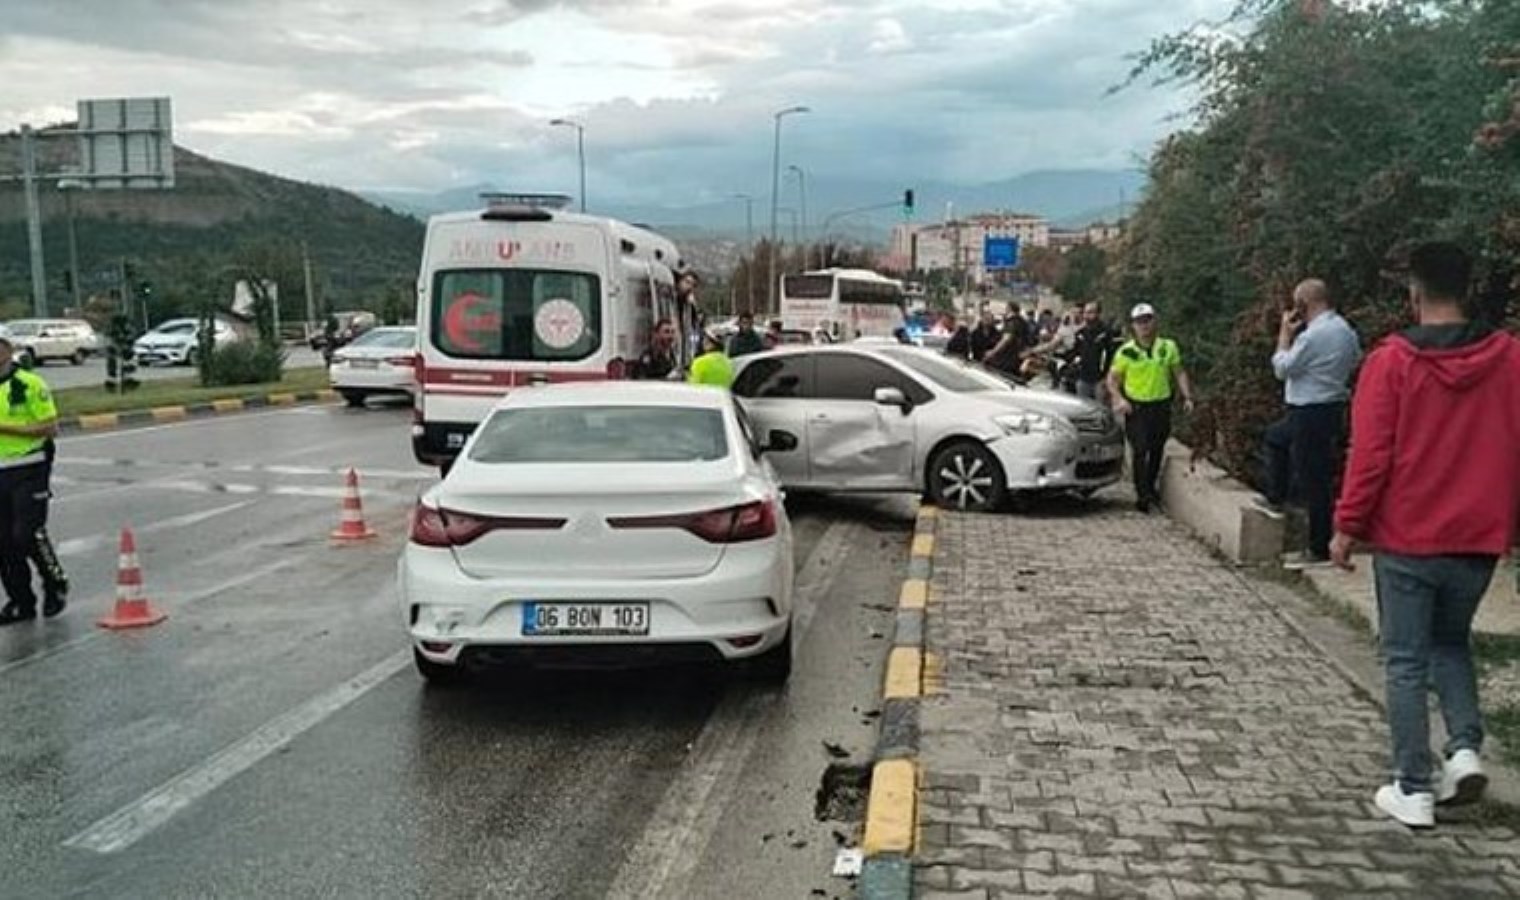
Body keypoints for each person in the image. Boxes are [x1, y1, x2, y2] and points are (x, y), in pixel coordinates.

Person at [1329, 242, 1520, 829]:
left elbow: (1371, 457)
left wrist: (1346, 526)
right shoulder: (1510, 359)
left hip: (1409, 535)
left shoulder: (1392, 363)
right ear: (1468, 289)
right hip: (1479, 536)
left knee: (1406, 660)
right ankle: (1463, 751)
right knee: (1451, 643)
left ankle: (1412, 786)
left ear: (1413, 292)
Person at [1260, 279, 1362, 569]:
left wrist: (1284, 334)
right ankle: (1276, 496)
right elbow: (1355, 359)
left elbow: (1282, 368)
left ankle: (1318, 547)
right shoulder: (1345, 330)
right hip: (1330, 407)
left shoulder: (1313, 336)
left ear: (1304, 303)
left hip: (1309, 408)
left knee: (1313, 479)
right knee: (1276, 438)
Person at [0, 333, 67, 625]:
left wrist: (4, 428)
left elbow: (50, 427)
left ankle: (55, 583)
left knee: (26, 533)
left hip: (29, 467)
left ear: (7, 350)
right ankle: (20, 601)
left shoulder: (28, 384)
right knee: (3, 542)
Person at [1107, 303, 1196, 513]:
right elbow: (1112, 380)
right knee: (1140, 450)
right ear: (1133, 326)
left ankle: (1150, 487)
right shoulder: (1126, 352)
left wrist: (1187, 396)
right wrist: (1119, 399)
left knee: (1157, 449)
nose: (1144, 325)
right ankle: (1142, 495)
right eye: (1139, 322)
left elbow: (1179, 372)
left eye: (1147, 320)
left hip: (1160, 406)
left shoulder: (1168, 347)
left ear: (1155, 321)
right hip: (1136, 408)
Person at [1070, 302, 1116, 401]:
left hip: (1100, 380)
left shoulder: (1106, 333)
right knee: (1083, 409)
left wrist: (1106, 376)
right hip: (1083, 378)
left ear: (1098, 314)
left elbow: (1112, 356)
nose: (1087, 316)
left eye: (1091, 312)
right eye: (1085, 313)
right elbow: (1075, 353)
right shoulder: (1080, 334)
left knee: (1101, 409)